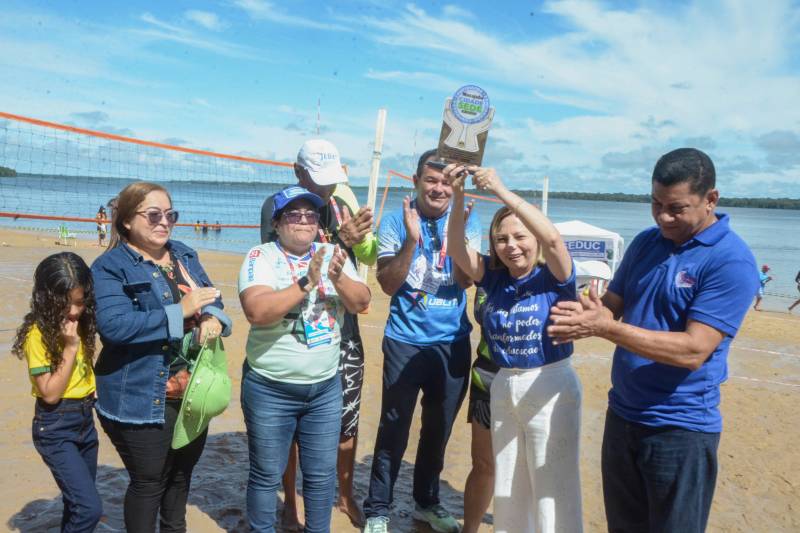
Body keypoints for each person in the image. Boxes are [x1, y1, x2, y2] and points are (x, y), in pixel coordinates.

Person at [548, 148, 759, 532]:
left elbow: (694, 350)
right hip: (623, 415)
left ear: (711, 199)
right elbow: (613, 305)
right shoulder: (647, 242)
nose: (663, 216)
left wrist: (606, 328)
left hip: (681, 429)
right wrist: (585, 314)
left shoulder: (731, 260)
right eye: (656, 203)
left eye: (676, 208)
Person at [446, 164, 582, 532]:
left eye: (520, 236)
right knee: (507, 484)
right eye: (502, 239)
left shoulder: (555, 276)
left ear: (534, 238)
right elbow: (456, 247)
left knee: (552, 484)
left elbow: (553, 240)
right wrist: (458, 194)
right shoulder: (495, 278)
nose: (511, 246)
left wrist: (501, 191)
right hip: (503, 384)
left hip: (550, 383)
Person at [91, 181, 232, 532]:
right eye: (153, 214)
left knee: (181, 477)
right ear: (126, 220)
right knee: (149, 481)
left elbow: (212, 297)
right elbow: (114, 326)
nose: (164, 222)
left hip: (192, 390)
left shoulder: (183, 254)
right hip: (139, 393)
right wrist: (179, 312)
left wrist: (214, 317)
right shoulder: (109, 267)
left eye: (170, 214)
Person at [260, 139, 377, 528]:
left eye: (330, 181)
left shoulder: (337, 203)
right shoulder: (279, 208)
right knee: (296, 427)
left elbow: (357, 269)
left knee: (349, 419)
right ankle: (291, 503)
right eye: (316, 182)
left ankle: (345, 494)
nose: (324, 191)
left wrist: (359, 240)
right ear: (297, 171)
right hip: (297, 333)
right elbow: (289, 269)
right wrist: (341, 240)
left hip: (343, 328)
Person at [363, 149, 481, 533]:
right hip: (404, 341)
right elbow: (387, 284)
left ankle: (426, 501)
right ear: (416, 181)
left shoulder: (466, 217)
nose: (439, 188)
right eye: (431, 180)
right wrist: (412, 241)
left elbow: (466, 282)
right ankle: (378, 508)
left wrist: (458, 235)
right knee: (393, 427)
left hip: (452, 342)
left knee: (438, 428)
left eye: (447, 182)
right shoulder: (398, 220)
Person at [12, 252, 103, 532]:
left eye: (80, 302)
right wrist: (70, 347)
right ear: (47, 298)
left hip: (85, 422)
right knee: (89, 509)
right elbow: (50, 393)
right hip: (55, 426)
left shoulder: (80, 323)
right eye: (67, 303)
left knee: (75, 504)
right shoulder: (37, 335)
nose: (75, 311)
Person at [461, 287, 500, 533]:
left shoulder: (547, 271)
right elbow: (482, 313)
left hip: (533, 382)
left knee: (528, 468)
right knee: (484, 464)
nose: (511, 246)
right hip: (488, 377)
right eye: (501, 243)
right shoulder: (489, 275)